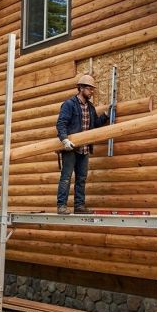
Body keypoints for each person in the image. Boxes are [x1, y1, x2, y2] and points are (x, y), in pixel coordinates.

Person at [55, 74, 110, 214]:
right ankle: (61, 206)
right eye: (90, 89)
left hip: (85, 149)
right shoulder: (69, 104)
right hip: (71, 148)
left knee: (81, 179)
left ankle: (79, 206)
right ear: (81, 88)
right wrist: (64, 140)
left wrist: (105, 115)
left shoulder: (91, 107)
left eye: (92, 89)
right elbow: (61, 123)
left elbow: (94, 124)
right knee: (66, 177)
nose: (92, 92)